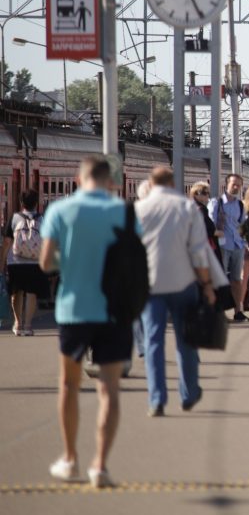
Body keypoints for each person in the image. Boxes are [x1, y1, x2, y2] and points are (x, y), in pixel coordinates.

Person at [38, 156, 137, 488]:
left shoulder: (61, 211)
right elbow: (137, 261)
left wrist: (70, 260)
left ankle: (70, 459)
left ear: (79, 180)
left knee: (68, 385)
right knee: (109, 389)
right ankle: (101, 466)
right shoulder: (124, 212)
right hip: (114, 312)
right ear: (110, 182)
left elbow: (45, 263)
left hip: (73, 309)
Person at [136, 167, 216, 418]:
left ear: (151, 183)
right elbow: (199, 251)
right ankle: (189, 393)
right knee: (186, 342)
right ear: (172, 183)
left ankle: (156, 399)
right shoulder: (188, 208)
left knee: (153, 341)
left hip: (150, 285)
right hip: (184, 283)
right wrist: (206, 284)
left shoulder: (138, 210)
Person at [3, 189, 48, 336]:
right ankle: (28, 325)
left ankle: (18, 323)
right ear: (36, 203)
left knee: (16, 293)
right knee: (31, 293)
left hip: (15, 262)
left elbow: (7, 242)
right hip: (35, 261)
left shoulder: (14, 218)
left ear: (21, 202)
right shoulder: (42, 218)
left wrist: (1, 261)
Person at [211, 174, 249, 322]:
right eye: (234, 184)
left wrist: (244, 241)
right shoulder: (217, 203)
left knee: (236, 280)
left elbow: (242, 225)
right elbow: (211, 223)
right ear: (226, 184)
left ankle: (238, 311)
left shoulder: (240, 205)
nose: (236, 187)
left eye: (239, 185)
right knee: (220, 279)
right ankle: (219, 312)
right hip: (222, 245)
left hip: (237, 245)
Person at [190, 181, 222, 266]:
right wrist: (216, 233)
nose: (207, 195)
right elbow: (206, 228)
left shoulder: (190, 207)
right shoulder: (200, 209)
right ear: (196, 194)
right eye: (204, 193)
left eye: (208, 193)